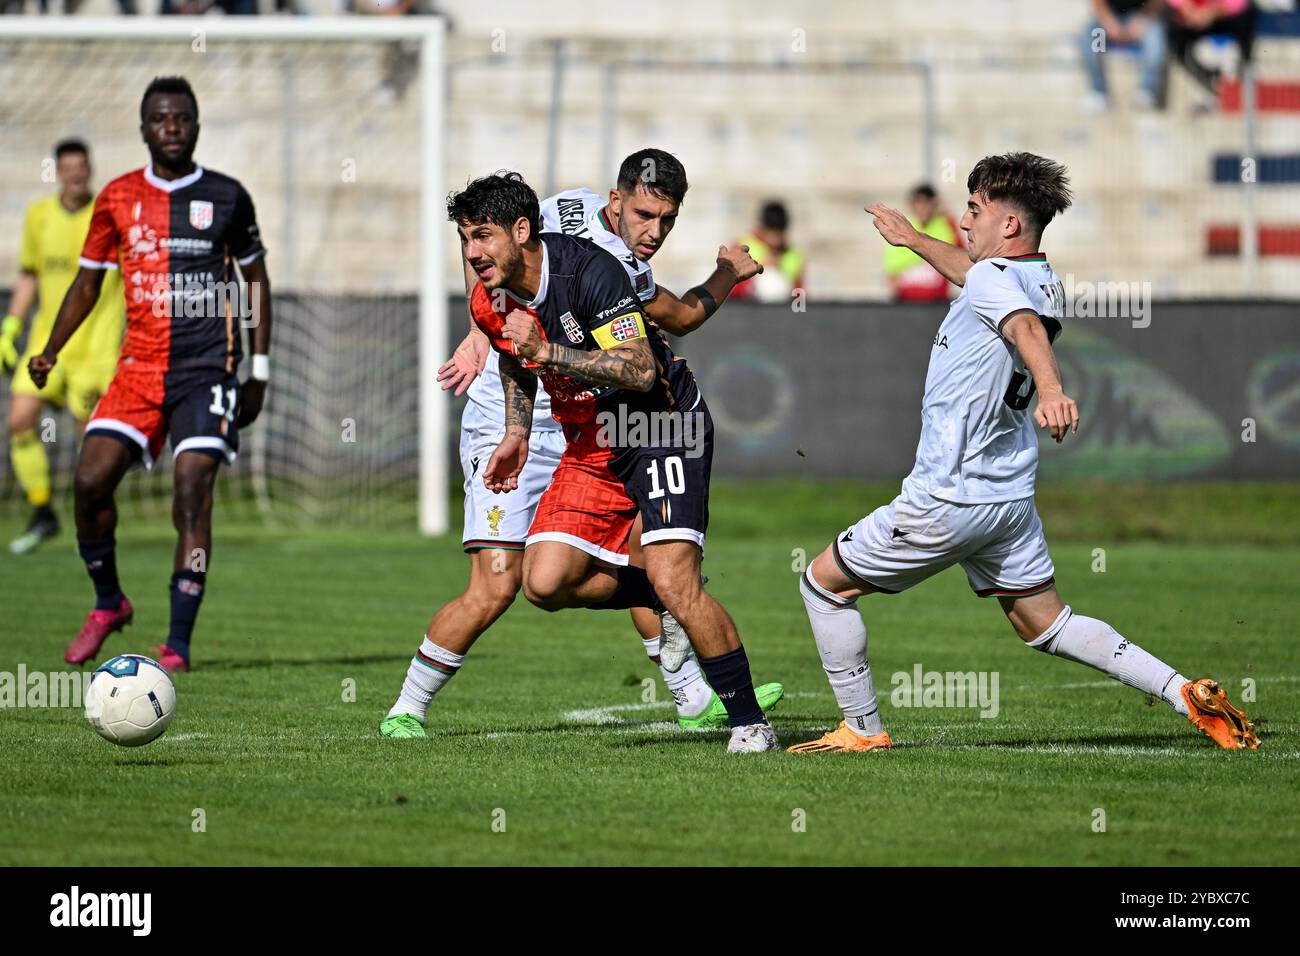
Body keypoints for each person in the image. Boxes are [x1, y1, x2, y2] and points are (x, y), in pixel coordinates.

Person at [788, 152, 1258, 754]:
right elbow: (978, 276)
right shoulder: (1037, 277)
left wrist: (1055, 389)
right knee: (1046, 623)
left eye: (976, 209)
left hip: (948, 496)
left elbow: (1022, 330)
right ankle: (1182, 690)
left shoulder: (998, 285)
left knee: (823, 584)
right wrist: (912, 241)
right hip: (1007, 500)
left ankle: (862, 727)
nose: (963, 220)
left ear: (1008, 225)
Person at [381, 150, 783, 739]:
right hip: (558, 423)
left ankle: (729, 711)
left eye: (668, 221)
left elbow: (653, 352)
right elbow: (494, 270)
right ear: (613, 202)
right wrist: (509, 415)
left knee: (669, 573)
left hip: (645, 421)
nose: (655, 232)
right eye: (645, 215)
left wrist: (725, 274)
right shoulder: (541, 227)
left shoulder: (606, 272)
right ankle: (407, 709)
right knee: (526, 582)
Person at [28, 76, 272, 674]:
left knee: (192, 489)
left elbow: (255, 282)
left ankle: (178, 644)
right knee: (88, 483)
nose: (171, 127)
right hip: (137, 371)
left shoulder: (227, 196)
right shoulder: (116, 199)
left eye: (182, 118)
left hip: (206, 371)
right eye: (160, 118)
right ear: (143, 129)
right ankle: (109, 602)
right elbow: (88, 282)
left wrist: (258, 368)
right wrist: (51, 349)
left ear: (195, 126)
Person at [4, 139, 125, 555]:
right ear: (58, 172)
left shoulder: (109, 214)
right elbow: (29, 275)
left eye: (81, 167)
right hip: (46, 343)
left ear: (89, 169)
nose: (76, 174)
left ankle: (92, 521)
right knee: (19, 419)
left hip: (95, 346)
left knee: (91, 444)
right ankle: (42, 511)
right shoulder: (39, 216)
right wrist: (10, 328)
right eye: (68, 168)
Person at [1081, 0, 1168, 112]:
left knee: (1155, 38)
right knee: (1093, 36)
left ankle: (1147, 91)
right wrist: (1109, 22)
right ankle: (1099, 93)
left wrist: (1143, 18)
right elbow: (1097, 3)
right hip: (1108, 20)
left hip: (1142, 19)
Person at [1166, 0, 1256, 106]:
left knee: (1248, 13)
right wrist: (1190, 11)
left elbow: (1239, 4)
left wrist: (1211, 13)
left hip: (1226, 20)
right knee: (1173, 33)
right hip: (1192, 20)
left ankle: (1241, 78)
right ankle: (1210, 84)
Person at [883, 184, 962, 303]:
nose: (922, 208)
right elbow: (892, 269)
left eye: (926, 203)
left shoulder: (945, 225)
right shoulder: (903, 228)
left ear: (934, 204)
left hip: (937, 302)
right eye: (918, 203)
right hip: (907, 302)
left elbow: (961, 256)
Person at [730, 200, 805, 303]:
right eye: (771, 232)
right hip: (747, 310)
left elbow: (799, 296)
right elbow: (730, 290)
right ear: (762, 228)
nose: (775, 240)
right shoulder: (743, 246)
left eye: (779, 233)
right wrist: (757, 273)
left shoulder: (794, 255)